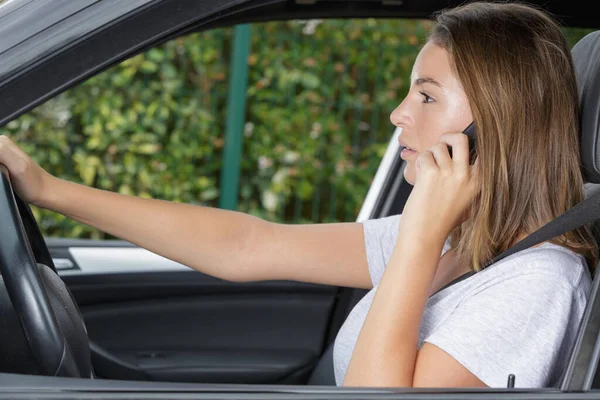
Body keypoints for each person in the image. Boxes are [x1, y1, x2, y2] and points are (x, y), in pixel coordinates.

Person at [0, 0, 598, 389]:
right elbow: (249, 246)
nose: (397, 114)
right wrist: (50, 190)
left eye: (426, 96)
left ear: (494, 124)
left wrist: (419, 235)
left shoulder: (535, 285)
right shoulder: (466, 242)